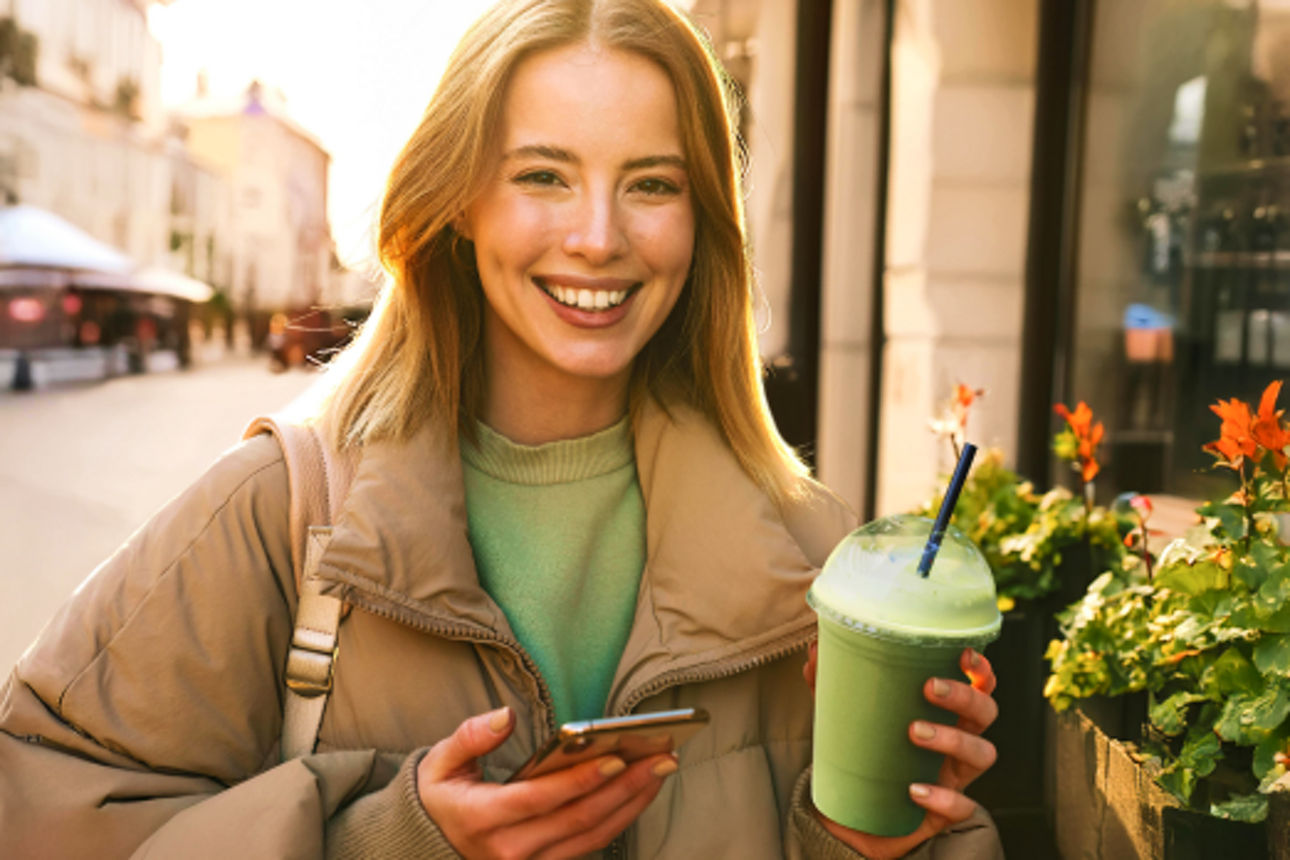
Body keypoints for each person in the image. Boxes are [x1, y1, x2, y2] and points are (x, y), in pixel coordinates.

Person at [0, 1, 1004, 857]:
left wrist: (870, 835)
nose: (599, 236)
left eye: (653, 183)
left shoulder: (813, 558)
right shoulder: (285, 512)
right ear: (459, 203)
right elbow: (42, 808)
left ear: (703, 223)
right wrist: (391, 838)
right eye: (543, 175)